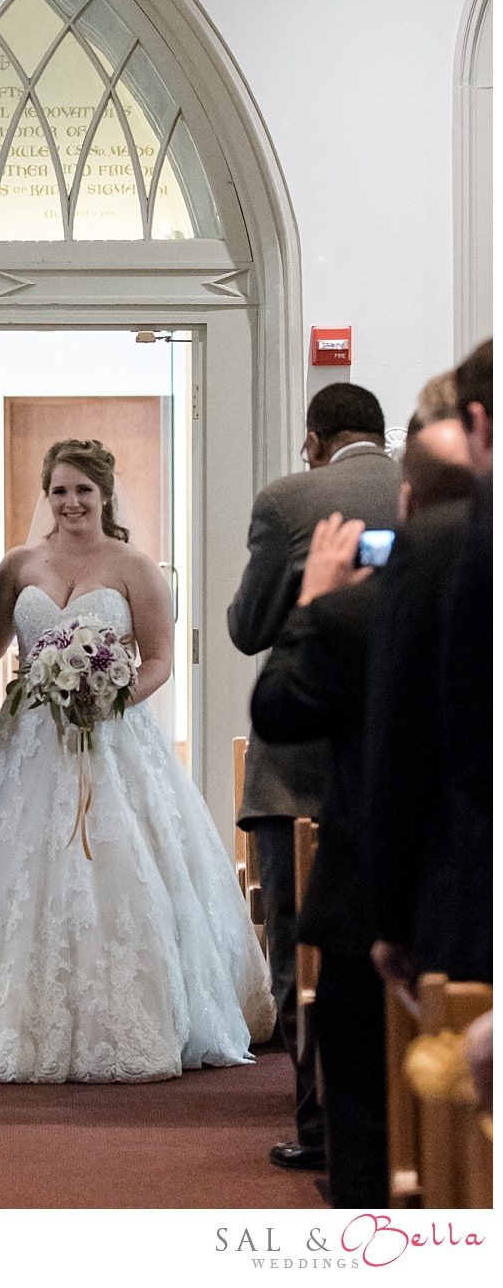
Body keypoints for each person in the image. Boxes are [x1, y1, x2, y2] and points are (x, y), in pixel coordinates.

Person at [0, 439, 274, 1082]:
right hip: (29, 737)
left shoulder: (136, 568)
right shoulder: (19, 565)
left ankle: (136, 1017)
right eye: (59, 490)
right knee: (16, 874)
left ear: (106, 494)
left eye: (84, 490)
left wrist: (108, 698)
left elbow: (160, 660)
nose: (71, 502)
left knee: (120, 868)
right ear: (47, 495)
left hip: (112, 736)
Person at [250, 407, 475, 1206]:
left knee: (373, 1138)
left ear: (409, 500)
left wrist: (314, 600)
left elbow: (278, 708)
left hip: (385, 901)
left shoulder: (364, 607)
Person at [227, 380, 399, 1170]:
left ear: (315, 437)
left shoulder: (291, 497)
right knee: (408, 943)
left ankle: (320, 1124)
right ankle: (408, 1126)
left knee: (303, 943)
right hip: (407, 757)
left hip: (301, 763)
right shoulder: (432, 492)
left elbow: (249, 627)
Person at [365, 338, 492, 994]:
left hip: (474, 883)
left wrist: (389, 916)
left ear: (477, 423)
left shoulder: (437, 544)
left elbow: (402, 738)